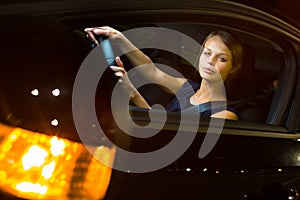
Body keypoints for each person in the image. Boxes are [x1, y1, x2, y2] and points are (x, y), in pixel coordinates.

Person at [84, 26, 243, 121]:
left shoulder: (224, 115)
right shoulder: (187, 87)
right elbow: (151, 70)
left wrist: (133, 94)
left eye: (221, 58)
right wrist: (117, 37)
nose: (211, 61)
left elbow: (171, 139)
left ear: (234, 67)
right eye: (207, 53)